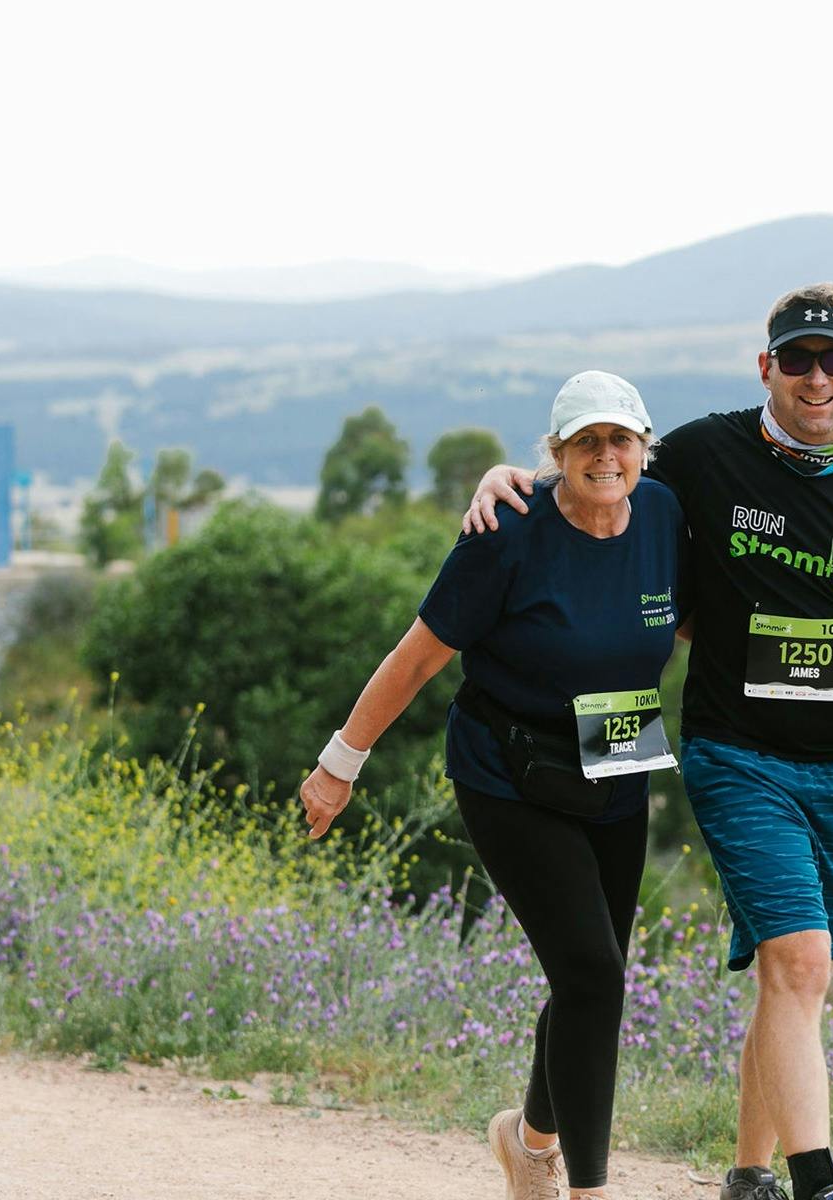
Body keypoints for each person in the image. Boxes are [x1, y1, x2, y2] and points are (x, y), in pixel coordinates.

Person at [466, 283, 833, 1200]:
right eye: (795, 358)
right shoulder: (705, 455)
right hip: (737, 756)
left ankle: (746, 1173)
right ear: (766, 366)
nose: (814, 377)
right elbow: (599, 473)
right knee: (795, 961)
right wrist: (506, 480)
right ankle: (818, 1183)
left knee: (795, 979)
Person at [301, 370, 685, 1200]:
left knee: (596, 974)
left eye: (621, 439)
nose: (606, 456)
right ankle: (585, 1187)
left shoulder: (664, 514)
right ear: (554, 455)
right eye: (586, 441)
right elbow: (416, 658)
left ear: (646, 448)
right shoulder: (504, 532)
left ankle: (525, 1139)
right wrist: (340, 764)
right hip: (508, 768)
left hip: (618, 758)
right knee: (593, 975)